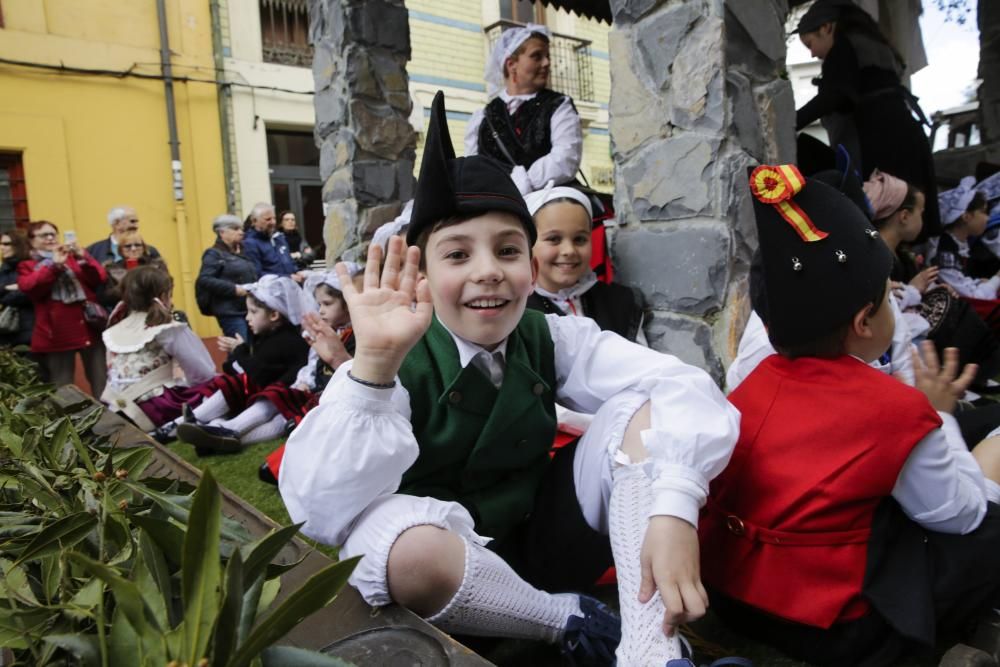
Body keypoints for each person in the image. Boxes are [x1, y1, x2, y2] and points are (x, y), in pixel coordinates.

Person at [279, 92, 742, 666]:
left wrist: (673, 508)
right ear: (420, 270)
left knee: (638, 411)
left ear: (530, 265)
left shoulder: (552, 334)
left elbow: (683, 386)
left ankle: (651, 652)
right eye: (457, 255)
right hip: (451, 570)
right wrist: (372, 366)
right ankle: (568, 621)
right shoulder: (392, 359)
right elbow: (320, 514)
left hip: (543, 542)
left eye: (507, 249)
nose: (488, 271)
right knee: (393, 539)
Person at [701, 163, 1000, 667]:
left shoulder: (749, 386)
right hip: (840, 628)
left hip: (738, 600)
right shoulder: (896, 410)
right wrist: (939, 417)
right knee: (987, 523)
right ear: (864, 321)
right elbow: (958, 515)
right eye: (890, 299)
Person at [794, 0, 940, 236]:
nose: (812, 53)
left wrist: (793, 121)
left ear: (827, 28)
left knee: (883, 216)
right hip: (906, 136)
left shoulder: (844, 47)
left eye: (810, 44)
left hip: (880, 141)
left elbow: (836, 94)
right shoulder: (876, 47)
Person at [176, 274, 309, 453]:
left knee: (271, 405)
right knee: (239, 389)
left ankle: (223, 432)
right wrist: (240, 353)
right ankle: (202, 427)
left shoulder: (285, 340)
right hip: (268, 393)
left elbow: (256, 373)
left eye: (253, 312)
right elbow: (245, 370)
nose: (247, 318)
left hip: (292, 399)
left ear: (274, 315)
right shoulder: (268, 337)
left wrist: (240, 351)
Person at [464, 24, 583, 196]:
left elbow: (565, 158)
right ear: (512, 64)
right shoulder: (482, 117)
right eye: (537, 56)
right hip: (496, 203)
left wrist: (523, 182)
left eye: (547, 56)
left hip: (546, 202)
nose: (547, 63)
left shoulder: (558, 105)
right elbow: (473, 167)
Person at [524, 184, 646, 343]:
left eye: (579, 239)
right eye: (554, 239)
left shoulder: (621, 302)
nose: (569, 250)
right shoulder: (515, 313)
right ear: (528, 244)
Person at [100, 266, 216, 433]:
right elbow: (203, 372)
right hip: (155, 408)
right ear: (163, 296)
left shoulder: (114, 328)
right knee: (220, 387)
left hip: (112, 407)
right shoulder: (167, 328)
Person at [17, 220, 108, 396]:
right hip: (56, 333)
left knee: (101, 380)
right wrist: (55, 266)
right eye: (44, 235)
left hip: (88, 327)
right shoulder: (27, 265)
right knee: (62, 385)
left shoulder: (72, 258)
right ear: (31, 240)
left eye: (53, 234)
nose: (51, 238)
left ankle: (110, 419)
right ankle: (69, 422)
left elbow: (99, 277)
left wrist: (84, 257)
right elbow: (30, 287)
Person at [931, 177, 997, 299]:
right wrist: (997, 279)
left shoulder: (959, 244)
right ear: (966, 216)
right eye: (983, 212)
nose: (987, 218)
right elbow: (973, 297)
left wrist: (978, 282)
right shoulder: (945, 251)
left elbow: (962, 283)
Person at [195, 214, 258, 340]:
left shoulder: (242, 251)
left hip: (247, 309)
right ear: (222, 232)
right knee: (241, 346)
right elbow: (204, 279)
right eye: (235, 229)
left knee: (248, 348)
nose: (241, 232)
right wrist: (234, 289)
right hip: (230, 312)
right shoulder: (213, 254)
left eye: (241, 229)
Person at [100, 231, 169, 310]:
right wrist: (126, 285)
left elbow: (165, 289)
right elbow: (105, 298)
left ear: (143, 247)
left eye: (137, 245)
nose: (133, 249)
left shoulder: (156, 266)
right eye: (128, 246)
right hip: (125, 313)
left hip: (154, 311)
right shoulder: (112, 269)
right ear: (121, 249)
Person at [242, 203, 301, 280]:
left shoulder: (279, 238)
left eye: (274, 218)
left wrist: (298, 271)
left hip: (290, 287)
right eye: (268, 219)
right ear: (254, 221)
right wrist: (288, 277)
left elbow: (290, 262)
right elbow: (257, 274)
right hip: (271, 289)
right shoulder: (250, 243)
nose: (273, 222)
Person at [87, 205, 161, 264]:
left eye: (136, 222)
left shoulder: (150, 251)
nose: (136, 226)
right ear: (116, 223)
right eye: (132, 221)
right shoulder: (94, 251)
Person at [0, 230, 35, 349]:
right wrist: (7, 289)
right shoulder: (4, 268)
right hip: (7, 328)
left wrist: (5, 293)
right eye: (1, 244)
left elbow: (28, 293)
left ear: (18, 245)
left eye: (6, 244)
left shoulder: (28, 266)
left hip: (29, 326)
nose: (2, 247)